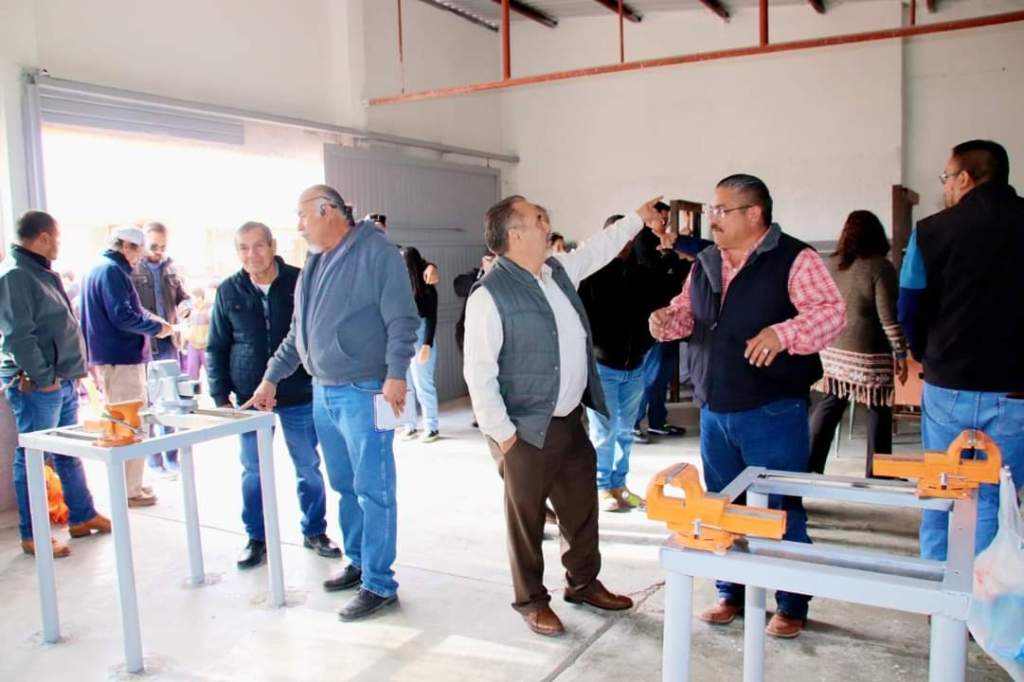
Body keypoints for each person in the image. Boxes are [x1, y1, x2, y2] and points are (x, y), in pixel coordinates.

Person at [464, 193, 670, 637]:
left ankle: (583, 583)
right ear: (515, 234)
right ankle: (532, 601)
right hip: (525, 431)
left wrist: (637, 218)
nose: (548, 224)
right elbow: (479, 374)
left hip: (570, 422)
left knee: (581, 510)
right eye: (539, 219)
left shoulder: (556, 272)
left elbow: (598, 248)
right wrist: (504, 436)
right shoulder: (490, 294)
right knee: (526, 521)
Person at [650, 174, 846, 638]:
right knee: (722, 505)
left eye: (722, 210)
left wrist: (783, 333)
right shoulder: (705, 263)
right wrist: (667, 320)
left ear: (754, 214)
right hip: (715, 408)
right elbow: (688, 312)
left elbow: (830, 313)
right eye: (712, 211)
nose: (713, 219)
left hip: (771, 408)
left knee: (779, 509)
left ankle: (791, 603)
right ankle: (731, 592)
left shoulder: (794, 259)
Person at [245, 185, 419, 621]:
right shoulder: (315, 261)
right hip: (323, 390)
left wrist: (396, 374)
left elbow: (403, 318)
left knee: (374, 488)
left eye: (302, 216)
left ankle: (380, 583)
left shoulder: (376, 253)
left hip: (366, 390)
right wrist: (271, 378)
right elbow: (297, 333)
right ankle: (359, 562)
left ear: (328, 212)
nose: (299, 226)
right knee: (344, 484)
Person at [898, 139, 1024, 562]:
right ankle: (984, 591)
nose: (946, 186)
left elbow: (909, 305)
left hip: (948, 381)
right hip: (1015, 388)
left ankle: (937, 585)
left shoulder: (931, 231)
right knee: (995, 495)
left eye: (947, 178)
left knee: (942, 486)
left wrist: (927, 354)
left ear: (965, 178)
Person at [206, 221, 340, 568]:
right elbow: (216, 346)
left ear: (273, 245)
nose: (252, 254)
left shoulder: (299, 282)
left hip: (298, 392)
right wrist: (220, 395)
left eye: (259, 246)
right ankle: (256, 537)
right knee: (253, 471)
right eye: (244, 248)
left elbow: (317, 334)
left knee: (308, 467)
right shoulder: (228, 291)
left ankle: (315, 531)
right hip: (250, 399)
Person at [0, 211, 111, 557]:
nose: (59, 243)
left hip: (60, 380)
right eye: (57, 237)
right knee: (33, 457)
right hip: (37, 385)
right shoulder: (17, 275)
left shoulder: (41, 272)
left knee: (68, 451)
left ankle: (82, 515)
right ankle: (33, 533)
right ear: (44, 237)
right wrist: (44, 378)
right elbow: (19, 337)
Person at [808, 211, 908, 476]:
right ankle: (879, 473)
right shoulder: (880, 267)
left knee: (830, 403)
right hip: (868, 354)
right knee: (879, 407)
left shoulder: (830, 264)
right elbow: (888, 317)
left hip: (831, 350)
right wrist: (900, 353)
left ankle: (808, 467)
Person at [80, 225, 173, 508]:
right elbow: (123, 315)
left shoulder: (100, 268)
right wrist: (156, 329)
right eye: (138, 251)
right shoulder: (112, 271)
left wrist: (156, 321)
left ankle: (132, 484)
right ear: (125, 247)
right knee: (129, 424)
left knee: (124, 423)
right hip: (121, 358)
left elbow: (130, 309)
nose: (139, 258)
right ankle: (129, 489)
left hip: (113, 358)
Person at [578, 214, 663, 512]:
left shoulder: (642, 272)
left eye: (630, 237)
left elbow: (654, 312)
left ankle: (620, 484)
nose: (625, 243)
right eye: (619, 236)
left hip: (635, 368)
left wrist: (644, 345)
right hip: (604, 367)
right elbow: (582, 322)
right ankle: (602, 486)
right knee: (604, 432)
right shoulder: (592, 275)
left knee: (626, 431)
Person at [132, 222, 190, 473]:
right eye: (154, 246)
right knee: (148, 404)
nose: (158, 251)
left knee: (171, 401)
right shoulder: (132, 269)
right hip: (145, 345)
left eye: (163, 247)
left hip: (169, 344)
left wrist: (186, 306)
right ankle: (154, 460)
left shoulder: (171, 268)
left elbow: (184, 297)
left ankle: (172, 457)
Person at [634, 201, 689, 442]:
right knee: (651, 374)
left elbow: (674, 276)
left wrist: (676, 258)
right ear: (649, 218)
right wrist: (672, 256)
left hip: (671, 316)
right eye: (661, 219)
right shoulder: (642, 241)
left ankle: (658, 422)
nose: (665, 224)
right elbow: (654, 274)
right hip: (654, 319)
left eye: (667, 220)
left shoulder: (663, 242)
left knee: (663, 374)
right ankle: (633, 423)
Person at [399, 246, 440, 443]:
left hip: (421, 335)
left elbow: (431, 318)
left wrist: (427, 344)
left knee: (423, 384)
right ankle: (410, 425)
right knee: (406, 384)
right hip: (403, 336)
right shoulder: (398, 287)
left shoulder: (426, 289)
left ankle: (431, 426)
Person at [182, 287, 211, 382]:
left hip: (207, 346)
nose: (192, 300)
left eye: (193, 297)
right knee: (191, 375)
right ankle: (194, 391)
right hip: (192, 345)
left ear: (200, 297)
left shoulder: (210, 309)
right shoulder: (190, 311)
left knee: (212, 373)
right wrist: (183, 344)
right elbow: (185, 327)